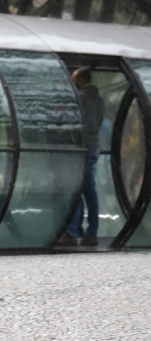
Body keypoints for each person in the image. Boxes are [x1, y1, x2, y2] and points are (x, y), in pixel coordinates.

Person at [59, 68, 105, 247]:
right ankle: (92, 232)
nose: (72, 83)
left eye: (74, 80)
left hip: (80, 147)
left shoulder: (79, 98)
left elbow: (69, 121)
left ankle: (71, 232)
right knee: (89, 190)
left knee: (75, 188)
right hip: (93, 146)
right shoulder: (98, 99)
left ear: (80, 80)